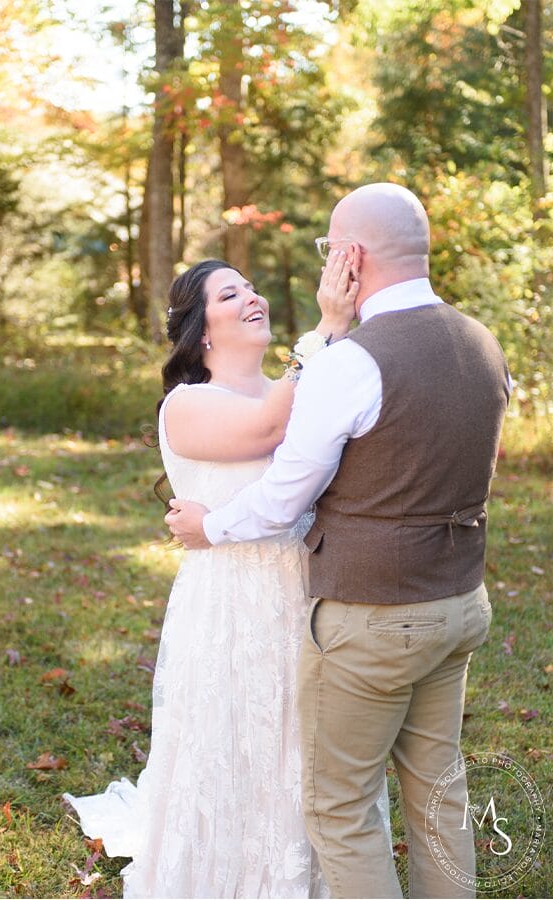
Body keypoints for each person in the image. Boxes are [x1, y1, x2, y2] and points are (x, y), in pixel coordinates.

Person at [166, 183, 511, 900]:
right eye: (229, 296)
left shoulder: (351, 363)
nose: (250, 298)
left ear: (350, 256)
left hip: (367, 611)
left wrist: (210, 526)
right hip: (455, 600)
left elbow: (287, 486)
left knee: (341, 804)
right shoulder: (481, 342)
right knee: (437, 786)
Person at [64, 255, 391, 898]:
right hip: (229, 601)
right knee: (237, 740)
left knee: (304, 742)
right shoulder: (187, 405)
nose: (252, 297)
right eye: (229, 294)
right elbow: (268, 427)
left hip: (306, 590)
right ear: (201, 330)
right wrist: (327, 328)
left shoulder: (294, 384)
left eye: (252, 287)